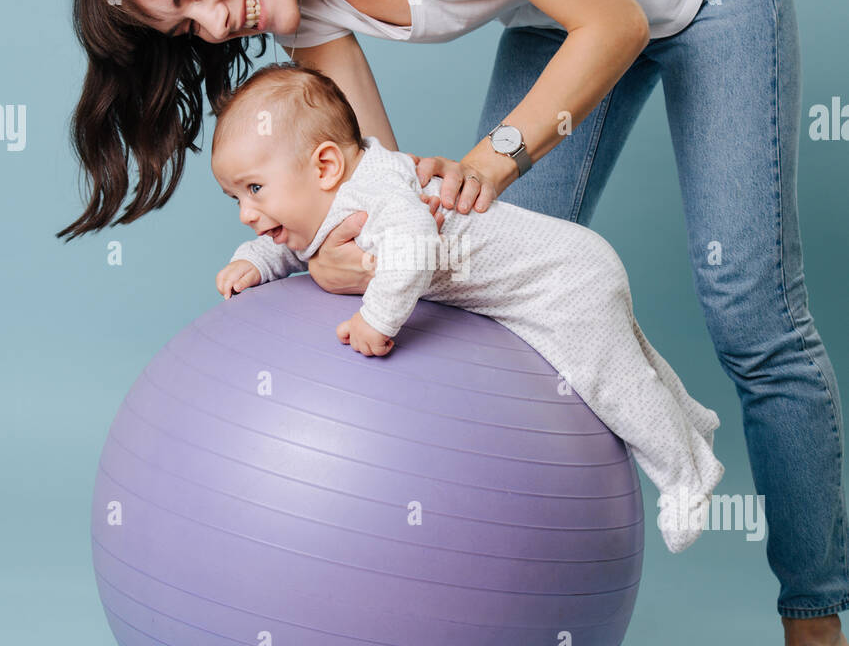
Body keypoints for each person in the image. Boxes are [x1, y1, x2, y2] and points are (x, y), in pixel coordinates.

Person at [60, 0, 849, 646]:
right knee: (487, 282)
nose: (217, 25)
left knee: (748, 309)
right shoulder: (298, 6)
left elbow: (614, 23)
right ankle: (508, 589)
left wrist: (489, 163)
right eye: (187, 26)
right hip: (566, 19)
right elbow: (378, 185)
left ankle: (815, 623)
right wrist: (339, 255)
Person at [212, 63, 725, 550]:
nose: (246, 213)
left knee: (612, 382)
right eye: (236, 198)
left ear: (325, 166)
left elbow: (416, 245)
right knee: (631, 358)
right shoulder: (330, 194)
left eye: (254, 189)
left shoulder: (376, 190)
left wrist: (377, 319)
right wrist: (256, 260)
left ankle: (686, 479)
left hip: (561, 278)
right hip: (557, 272)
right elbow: (300, 242)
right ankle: (691, 424)